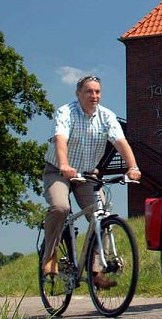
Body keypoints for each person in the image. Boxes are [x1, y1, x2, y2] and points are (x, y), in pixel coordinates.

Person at [42, 75, 141, 287]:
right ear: (78, 94)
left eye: (97, 92)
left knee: (101, 214)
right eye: (89, 91)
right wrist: (64, 165)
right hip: (59, 170)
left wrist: (133, 166)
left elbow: (120, 141)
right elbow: (60, 139)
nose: (93, 96)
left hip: (87, 174)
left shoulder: (106, 116)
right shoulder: (65, 112)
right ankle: (50, 256)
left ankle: (97, 271)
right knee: (60, 207)